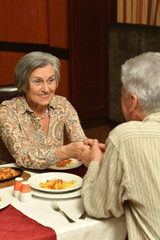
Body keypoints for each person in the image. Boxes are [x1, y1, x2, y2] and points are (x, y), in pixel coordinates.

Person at [81, 52, 160, 240]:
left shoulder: (125, 137)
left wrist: (95, 163)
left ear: (132, 101)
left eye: (121, 94)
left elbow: (97, 206)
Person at [0, 51, 90, 169]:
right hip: (16, 180)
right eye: (37, 81)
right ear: (23, 84)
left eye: (51, 80)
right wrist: (66, 151)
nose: (46, 89)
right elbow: (24, 157)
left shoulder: (62, 105)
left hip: (54, 180)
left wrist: (89, 146)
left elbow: (79, 140)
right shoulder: (7, 111)